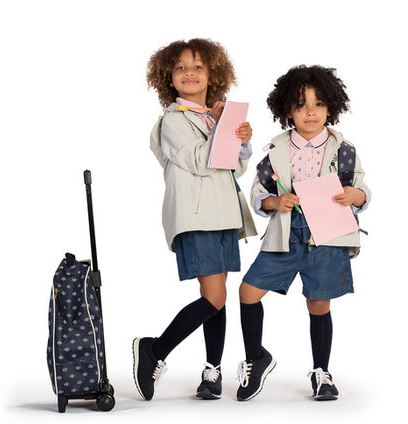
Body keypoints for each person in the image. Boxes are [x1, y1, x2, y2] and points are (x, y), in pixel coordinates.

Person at [236, 65, 371, 402]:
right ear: (287, 111)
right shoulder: (276, 150)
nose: (311, 112)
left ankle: (321, 372)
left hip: (327, 234)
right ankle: (255, 359)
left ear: (331, 107)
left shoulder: (344, 149)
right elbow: (258, 192)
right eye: (301, 105)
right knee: (248, 292)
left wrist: (357, 196)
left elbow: (361, 186)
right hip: (287, 232)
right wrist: (273, 201)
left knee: (319, 303)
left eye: (319, 104)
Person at [133, 38, 256, 401]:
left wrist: (240, 140)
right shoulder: (173, 121)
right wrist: (224, 129)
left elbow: (234, 167)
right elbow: (201, 161)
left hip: (224, 214)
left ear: (212, 75)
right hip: (196, 216)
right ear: (168, 77)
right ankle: (154, 349)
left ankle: (212, 371)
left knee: (215, 295)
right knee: (215, 296)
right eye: (181, 67)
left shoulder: (212, 116)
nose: (190, 73)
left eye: (198, 66)